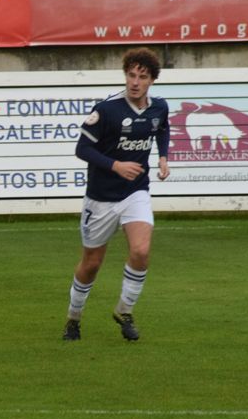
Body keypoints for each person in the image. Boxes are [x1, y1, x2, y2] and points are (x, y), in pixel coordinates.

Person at [62, 48, 170, 342]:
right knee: (91, 263)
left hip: (135, 192)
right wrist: (115, 165)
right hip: (100, 197)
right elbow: (81, 149)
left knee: (141, 251)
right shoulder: (107, 110)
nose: (135, 82)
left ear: (152, 81)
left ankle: (124, 310)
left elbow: (162, 129)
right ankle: (73, 318)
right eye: (131, 75)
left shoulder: (159, 108)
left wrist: (163, 157)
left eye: (142, 77)